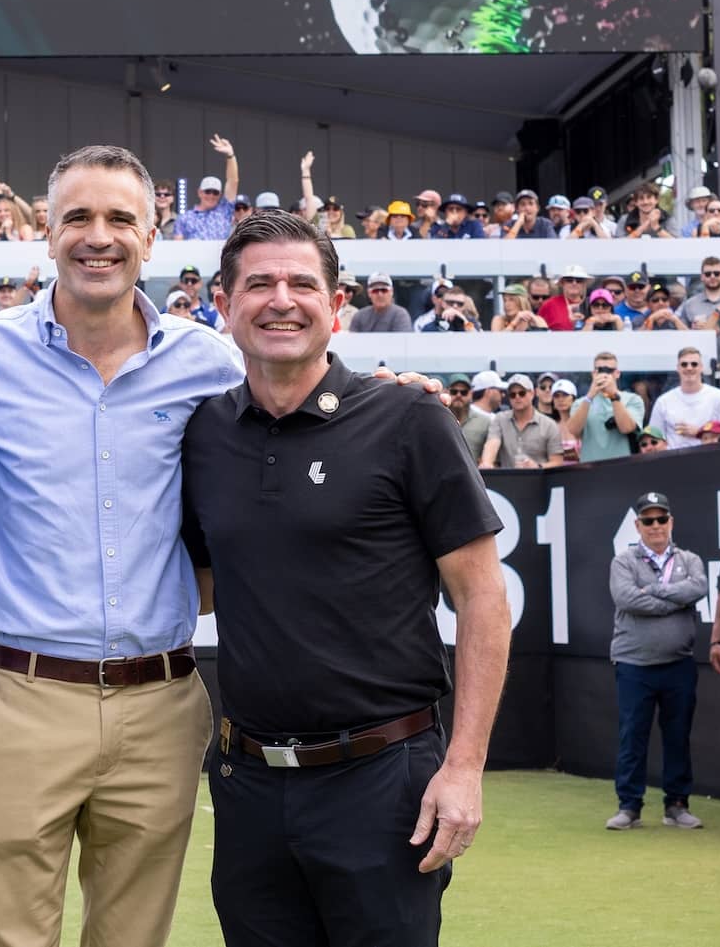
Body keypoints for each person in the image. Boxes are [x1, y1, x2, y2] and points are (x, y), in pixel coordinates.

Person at [0, 146, 245, 947]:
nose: (98, 236)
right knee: (8, 936)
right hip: (28, 694)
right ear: (48, 232)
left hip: (164, 699)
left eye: (119, 219)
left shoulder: (211, 364)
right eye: (78, 218)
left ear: (151, 235)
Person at [181, 210, 508, 945]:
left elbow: (482, 598)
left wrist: (465, 765)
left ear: (336, 307)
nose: (281, 298)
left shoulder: (410, 418)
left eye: (302, 282)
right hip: (249, 782)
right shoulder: (203, 434)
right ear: (225, 305)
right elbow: (201, 583)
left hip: (382, 780)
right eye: (258, 282)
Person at [607, 490, 707, 830]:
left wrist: (655, 592)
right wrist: (673, 599)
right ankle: (629, 806)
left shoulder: (689, 560)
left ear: (671, 522)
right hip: (634, 664)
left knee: (678, 735)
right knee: (632, 735)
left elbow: (699, 587)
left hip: (679, 663)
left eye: (661, 519)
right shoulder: (624, 561)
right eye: (648, 520)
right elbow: (627, 598)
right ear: (637, 525)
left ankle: (677, 805)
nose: (655, 526)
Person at [646, 348, 720, 450]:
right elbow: (654, 440)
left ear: (701, 368)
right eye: (684, 364)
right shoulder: (663, 402)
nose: (689, 368)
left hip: (711, 459)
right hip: (673, 461)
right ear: (677, 368)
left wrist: (700, 432)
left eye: (694, 364)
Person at [574, 353, 643, 462]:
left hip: (622, 469)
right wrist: (590, 395)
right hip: (590, 470)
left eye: (609, 371)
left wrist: (613, 396)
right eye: (600, 370)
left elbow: (627, 428)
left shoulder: (633, 399)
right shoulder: (581, 403)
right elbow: (574, 431)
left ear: (617, 374)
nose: (605, 374)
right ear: (593, 374)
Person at [346, 274, 412, 332]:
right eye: (375, 290)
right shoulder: (360, 316)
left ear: (391, 292)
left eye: (384, 290)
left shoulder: (400, 315)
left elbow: (401, 342)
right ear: (369, 293)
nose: (380, 294)